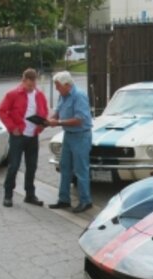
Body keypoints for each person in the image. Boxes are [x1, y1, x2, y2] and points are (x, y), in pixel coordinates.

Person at [0, 68, 48, 207]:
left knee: (32, 166)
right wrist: (12, 128)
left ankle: (30, 194)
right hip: (18, 136)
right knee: (14, 166)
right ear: (23, 81)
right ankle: (8, 195)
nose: (32, 88)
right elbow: (1, 111)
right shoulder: (13, 94)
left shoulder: (39, 95)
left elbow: (44, 111)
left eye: (34, 85)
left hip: (33, 135)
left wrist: (43, 124)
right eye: (29, 85)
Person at [47, 71, 93, 213]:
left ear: (67, 85)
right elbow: (58, 111)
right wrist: (49, 120)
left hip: (81, 135)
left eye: (58, 85)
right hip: (68, 135)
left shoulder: (79, 96)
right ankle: (64, 199)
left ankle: (86, 201)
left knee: (81, 169)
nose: (56, 88)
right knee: (64, 167)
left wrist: (58, 122)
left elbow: (80, 119)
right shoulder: (63, 95)